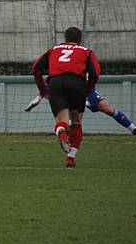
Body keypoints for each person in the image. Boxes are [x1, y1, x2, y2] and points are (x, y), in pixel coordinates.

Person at [31, 27, 101, 168]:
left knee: (61, 120)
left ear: (65, 39)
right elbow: (95, 73)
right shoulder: (87, 51)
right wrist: (88, 89)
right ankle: (71, 157)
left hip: (56, 83)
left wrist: (43, 89)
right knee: (76, 121)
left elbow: (36, 68)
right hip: (77, 83)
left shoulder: (53, 50)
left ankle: (62, 134)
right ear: (80, 40)